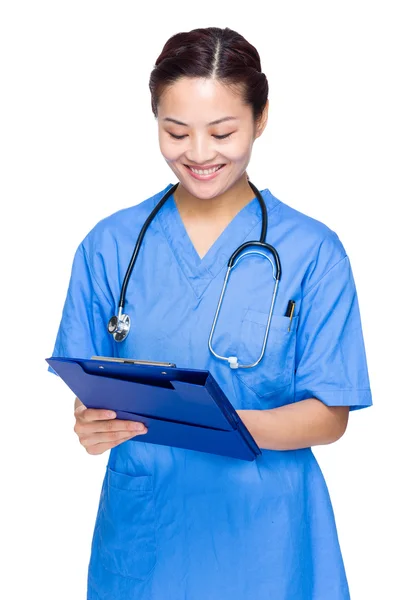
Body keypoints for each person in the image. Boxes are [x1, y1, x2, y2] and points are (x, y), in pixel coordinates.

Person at [49, 26, 372, 600]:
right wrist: (92, 424)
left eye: (222, 132)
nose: (198, 154)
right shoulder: (109, 246)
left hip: (267, 541)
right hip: (147, 539)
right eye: (176, 132)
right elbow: (92, 386)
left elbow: (331, 414)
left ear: (261, 118)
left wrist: (220, 422)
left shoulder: (312, 252)